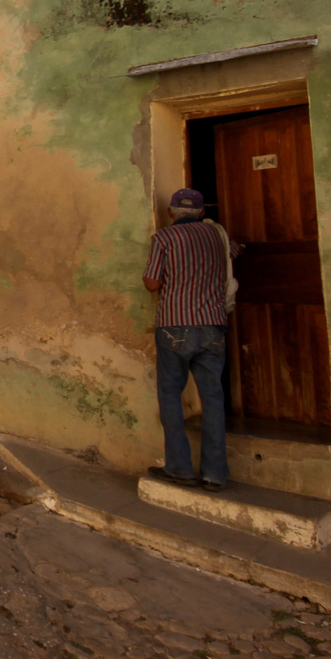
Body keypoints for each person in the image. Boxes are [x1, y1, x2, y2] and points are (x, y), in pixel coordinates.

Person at [142, 188, 241, 492]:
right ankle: (215, 473)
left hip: (175, 324)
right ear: (200, 213)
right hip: (213, 324)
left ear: (171, 213)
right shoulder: (219, 237)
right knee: (213, 397)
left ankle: (180, 467)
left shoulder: (163, 239)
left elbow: (151, 283)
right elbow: (234, 252)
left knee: (170, 394)